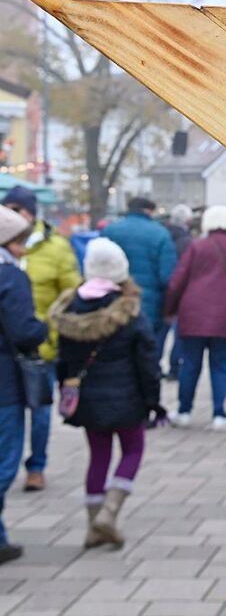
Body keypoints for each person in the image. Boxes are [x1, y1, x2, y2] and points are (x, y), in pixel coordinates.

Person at [49, 238, 163, 548]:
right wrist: (153, 401)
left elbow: (63, 360)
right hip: (128, 398)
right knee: (133, 450)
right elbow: (147, 361)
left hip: (87, 399)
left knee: (98, 456)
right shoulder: (128, 310)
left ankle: (92, 526)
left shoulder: (70, 309)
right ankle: (109, 514)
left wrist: (66, 389)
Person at [2, 186, 81, 492]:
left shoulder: (56, 247)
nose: (11, 213)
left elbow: (71, 290)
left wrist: (50, 324)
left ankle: (36, 466)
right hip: (11, 348)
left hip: (41, 349)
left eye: (17, 209)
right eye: (6, 207)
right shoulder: (6, 259)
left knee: (40, 412)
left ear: (30, 214)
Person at [164, 206, 226, 430]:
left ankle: (184, 411)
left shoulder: (197, 246)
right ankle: (219, 414)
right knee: (220, 365)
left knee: (190, 365)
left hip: (193, 313)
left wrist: (169, 309)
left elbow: (177, 281)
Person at [0, 205, 48, 563]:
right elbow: (23, 331)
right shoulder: (11, 276)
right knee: (5, 461)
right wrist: (45, 327)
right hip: (4, 383)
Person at [101, 197, 177, 345]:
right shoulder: (161, 234)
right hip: (149, 305)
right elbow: (167, 277)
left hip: (113, 303)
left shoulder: (109, 231)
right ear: (149, 211)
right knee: (148, 352)